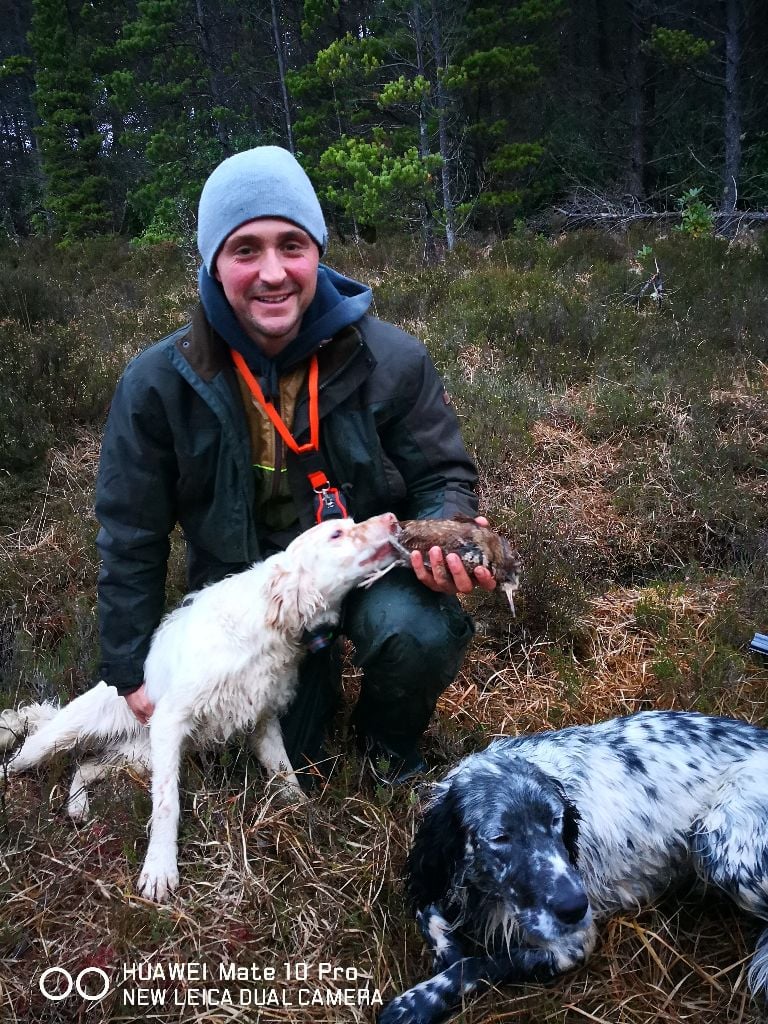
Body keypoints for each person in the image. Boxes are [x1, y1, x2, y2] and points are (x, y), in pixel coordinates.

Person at [95, 146, 495, 786]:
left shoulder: (391, 359)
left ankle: (387, 749)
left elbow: (441, 476)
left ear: (318, 251)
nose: (273, 272)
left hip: (361, 561)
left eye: (292, 245)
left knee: (416, 632)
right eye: (245, 250)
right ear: (213, 262)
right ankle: (315, 676)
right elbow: (130, 534)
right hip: (247, 591)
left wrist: (446, 531)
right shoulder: (157, 385)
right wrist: (127, 668)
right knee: (278, 764)